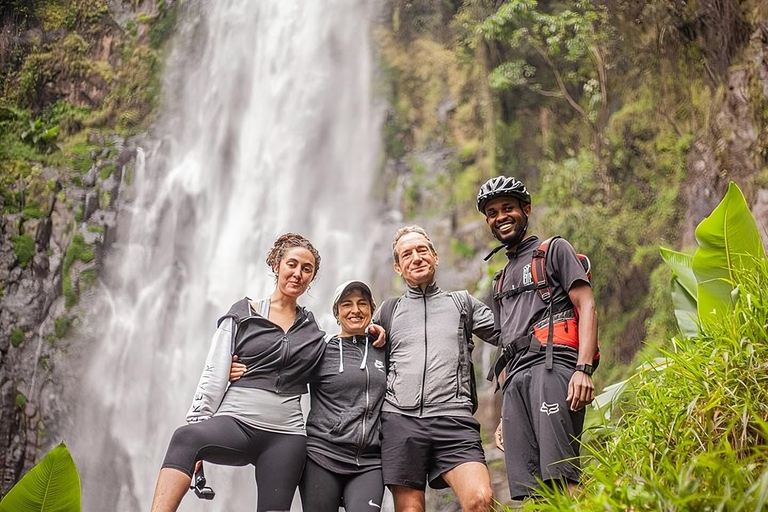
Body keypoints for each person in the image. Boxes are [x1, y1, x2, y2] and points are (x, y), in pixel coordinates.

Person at [150, 233, 327, 512]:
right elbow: (213, 372)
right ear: (277, 265)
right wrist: (199, 424)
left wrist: (371, 333)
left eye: (307, 269)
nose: (298, 274)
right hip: (236, 423)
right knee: (185, 437)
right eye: (292, 264)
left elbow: (336, 364)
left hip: (285, 437)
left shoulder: (313, 331)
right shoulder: (242, 314)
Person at [476, 176, 598, 500]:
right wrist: (502, 414)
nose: (500, 217)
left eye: (507, 208)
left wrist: (583, 370)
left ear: (525, 210)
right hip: (515, 386)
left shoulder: (554, 251)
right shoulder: (499, 282)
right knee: (532, 493)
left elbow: (586, 304)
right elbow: (505, 346)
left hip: (552, 369)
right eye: (492, 212)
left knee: (563, 475)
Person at [230, 280, 387, 511]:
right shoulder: (319, 349)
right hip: (321, 457)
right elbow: (281, 371)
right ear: (336, 312)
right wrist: (238, 369)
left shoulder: (385, 349)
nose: (355, 310)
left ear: (372, 311)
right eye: (347, 304)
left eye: (362, 304)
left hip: (369, 462)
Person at [374, 225, 499, 512]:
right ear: (397, 266)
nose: (416, 258)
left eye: (422, 250)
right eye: (407, 254)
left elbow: (508, 333)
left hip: (453, 419)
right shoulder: (387, 311)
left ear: (435, 256)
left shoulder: (462, 303)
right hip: (400, 420)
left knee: (481, 499)